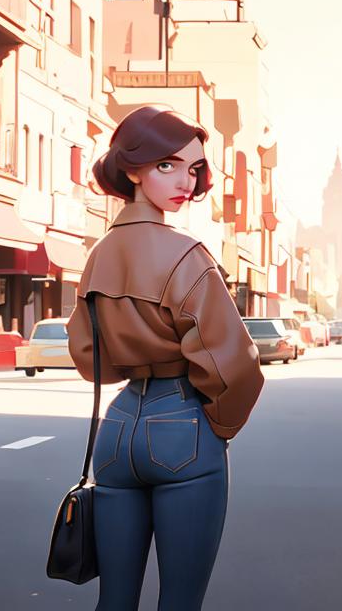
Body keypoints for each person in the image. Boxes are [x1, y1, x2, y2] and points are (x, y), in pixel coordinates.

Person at [67, 106, 265, 610]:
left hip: (118, 427)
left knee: (114, 600)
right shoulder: (187, 255)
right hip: (182, 423)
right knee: (179, 601)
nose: (185, 180)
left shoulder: (98, 255)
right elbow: (234, 364)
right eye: (166, 165)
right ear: (131, 168)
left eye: (193, 168)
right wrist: (214, 426)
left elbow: (92, 360)